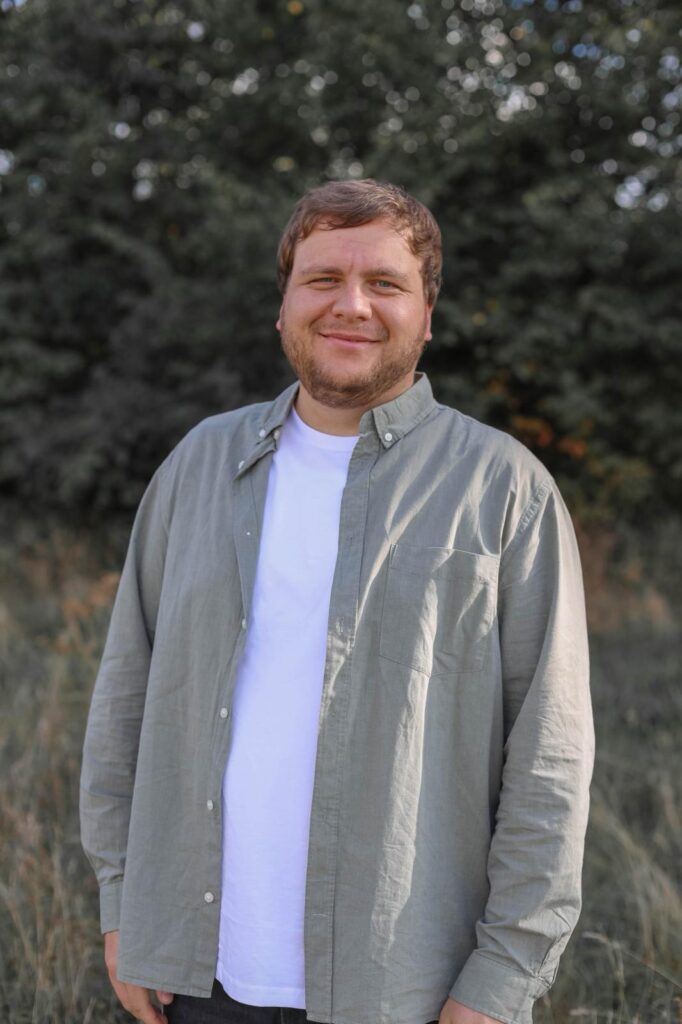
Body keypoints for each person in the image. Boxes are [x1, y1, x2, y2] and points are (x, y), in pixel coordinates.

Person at [80, 179, 594, 1024]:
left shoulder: (504, 487)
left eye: (385, 283)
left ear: (426, 315)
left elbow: (551, 757)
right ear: (284, 304)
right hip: (196, 972)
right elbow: (125, 698)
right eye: (322, 278)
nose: (351, 305)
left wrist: (503, 978)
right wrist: (122, 903)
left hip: (405, 985)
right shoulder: (199, 464)